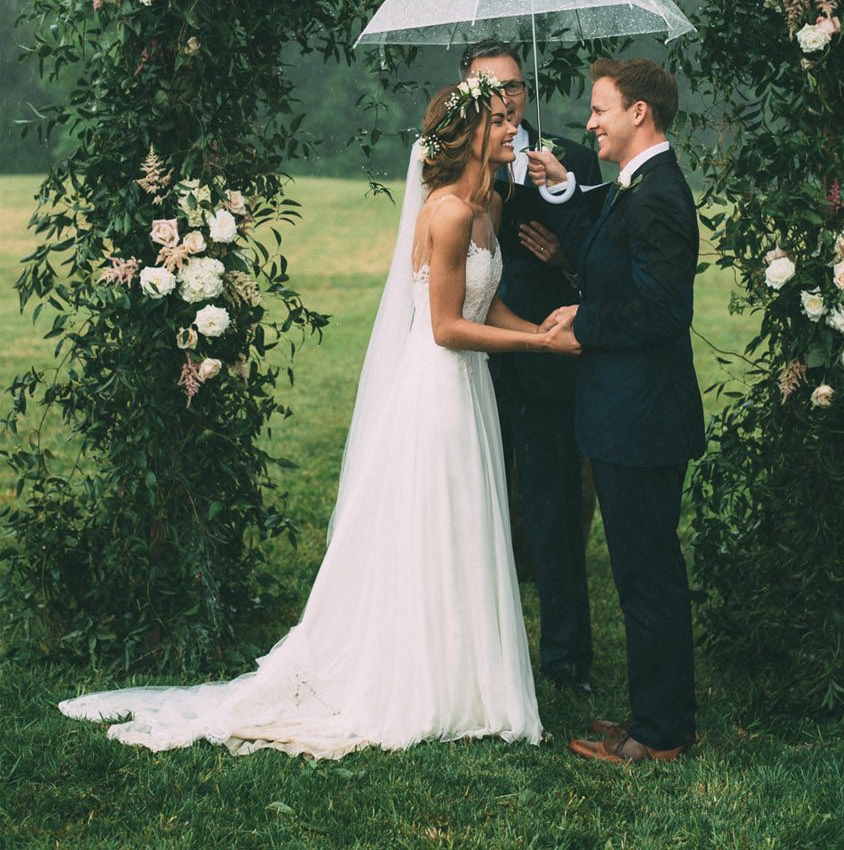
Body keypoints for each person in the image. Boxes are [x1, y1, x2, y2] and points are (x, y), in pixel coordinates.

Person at [58, 73, 574, 759]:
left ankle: (472, 682)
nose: (515, 129)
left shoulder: (488, 208)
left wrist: (539, 324)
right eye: (503, 121)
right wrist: (540, 342)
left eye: (513, 119)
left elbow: (484, 306)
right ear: (469, 135)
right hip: (439, 390)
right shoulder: (448, 213)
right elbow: (447, 328)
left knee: (467, 526)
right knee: (437, 526)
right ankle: (419, 682)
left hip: (469, 390)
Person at [528, 57, 705, 764]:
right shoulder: (637, 188)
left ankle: (660, 733)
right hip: (627, 414)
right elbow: (619, 273)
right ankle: (652, 713)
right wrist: (583, 297)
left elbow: (662, 310)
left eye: (600, 109)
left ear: (640, 113)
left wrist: (584, 324)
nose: (589, 121)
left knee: (648, 574)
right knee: (641, 570)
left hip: (643, 419)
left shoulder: (658, 194)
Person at [461, 41, 596, 695]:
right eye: (489, 88)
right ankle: (482, 651)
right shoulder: (454, 169)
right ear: (466, 93)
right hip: (474, 363)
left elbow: (607, 256)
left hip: (546, 360)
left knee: (554, 510)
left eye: (513, 85)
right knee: (474, 505)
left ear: (527, 88)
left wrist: (563, 257)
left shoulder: (571, 158)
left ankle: (566, 659)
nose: (504, 99)